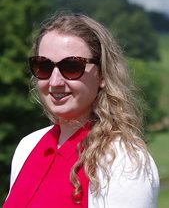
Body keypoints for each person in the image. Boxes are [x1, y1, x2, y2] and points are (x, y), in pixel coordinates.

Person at [3, 12, 159, 208]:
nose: (55, 81)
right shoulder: (28, 146)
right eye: (44, 66)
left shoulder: (123, 161)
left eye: (71, 66)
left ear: (102, 75)